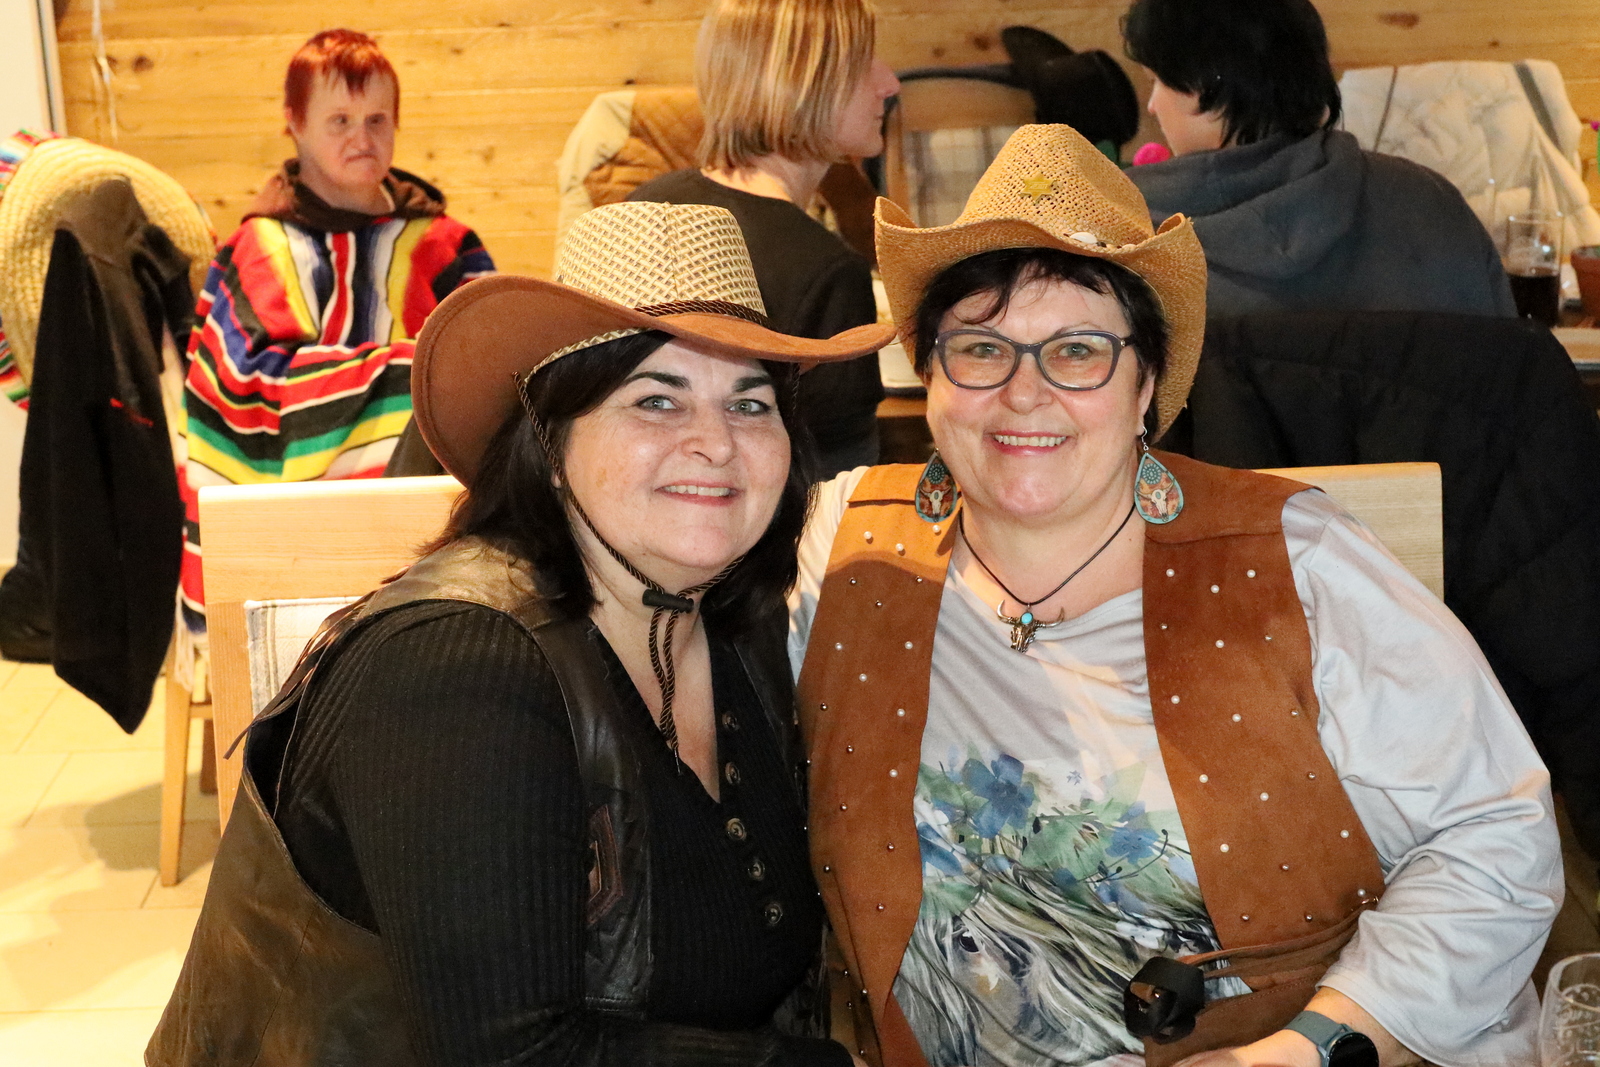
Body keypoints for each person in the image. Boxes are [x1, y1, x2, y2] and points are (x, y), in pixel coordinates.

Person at [788, 125, 1560, 1067]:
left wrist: (1299, 1053)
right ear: (929, 373)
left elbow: (1495, 834)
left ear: (1146, 384)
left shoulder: (1298, 562)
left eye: (1078, 351)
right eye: (981, 348)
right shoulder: (842, 552)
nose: (1024, 393)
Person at [149, 201, 896, 1066]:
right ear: (550, 433)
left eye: (750, 402)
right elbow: (514, 1054)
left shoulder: (732, 622)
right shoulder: (457, 670)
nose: (717, 443)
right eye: (656, 399)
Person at [176, 28, 493, 659]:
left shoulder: (444, 244)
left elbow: (488, 354)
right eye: (340, 120)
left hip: (435, 511)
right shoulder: (260, 248)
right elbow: (244, 389)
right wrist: (410, 375)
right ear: (294, 124)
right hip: (294, 518)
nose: (362, 137)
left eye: (378, 119)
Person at [629, 0, 899, 478]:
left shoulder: (645, 203)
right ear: (804, 84)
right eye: (865, 65)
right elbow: (834, 485)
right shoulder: (826, 271)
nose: (889, 84)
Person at [1119, 0, 1516, 320]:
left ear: (1205, 84)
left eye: (1156, 81)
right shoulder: (1433, 204)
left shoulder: (1120, 236)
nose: (1152, 106)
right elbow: (1510, 376)